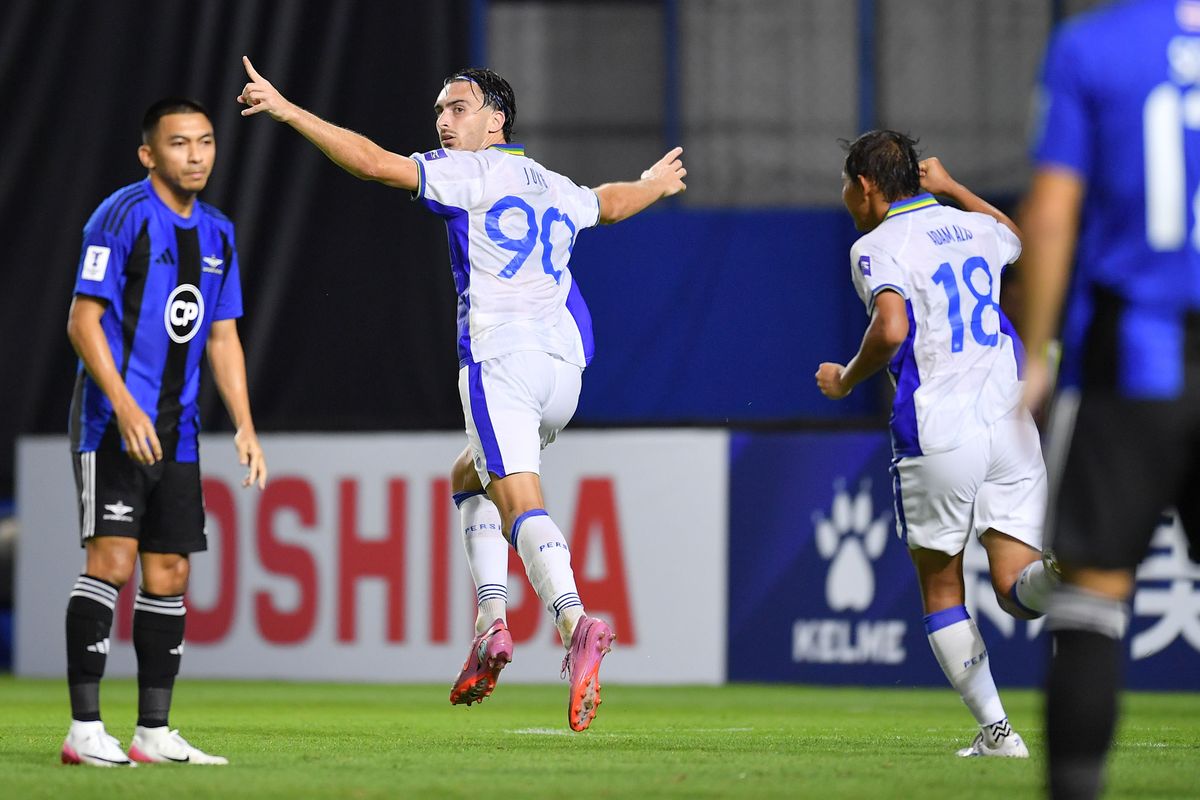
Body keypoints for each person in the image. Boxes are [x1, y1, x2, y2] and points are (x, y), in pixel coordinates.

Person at [237, 57, 685, 732]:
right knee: (468, 477)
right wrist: (654, 183)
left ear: (495, 120)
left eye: (458, 109)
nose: (444, 121)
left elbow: (371, 162)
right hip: (566, 372)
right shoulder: (553, 184)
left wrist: (289, 109)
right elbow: (611, 203)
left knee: (519, 498)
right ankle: (492, 623)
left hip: (502, 361)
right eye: (440, 111)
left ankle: (573, 621)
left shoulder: (469, 173)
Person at [816, 130, 1059, 758]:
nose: (846, 197)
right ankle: (1068, 569)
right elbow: (1016, 238)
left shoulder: (876, 244)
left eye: (848, 184)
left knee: (943, 591)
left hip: (940, 429)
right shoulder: (971, 227)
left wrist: (844, 379)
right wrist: (951, 186)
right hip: (1010, 423)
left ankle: (998, 734)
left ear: (865, 186)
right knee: (1017, 590)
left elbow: (892, 326)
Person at [1021, 1, 1200, 796]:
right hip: (1145, 349)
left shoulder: (1094, 48)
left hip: (1137, 358)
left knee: (1092, 594)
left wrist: (1035, 353)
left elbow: (1054, 210)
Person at [62, 98, 267, 767]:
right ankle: (84, 729)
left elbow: (223, 335)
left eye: (205, 142)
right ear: (150, 154)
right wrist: (121, 403)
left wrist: (245, 424)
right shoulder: (120, 216)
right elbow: (83, 321)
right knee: (112, 562)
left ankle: (153, 731)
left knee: (170, 571)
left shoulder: (218, 234)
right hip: (112, 421)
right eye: (180, 144)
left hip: (178, 431)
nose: (197, 155)